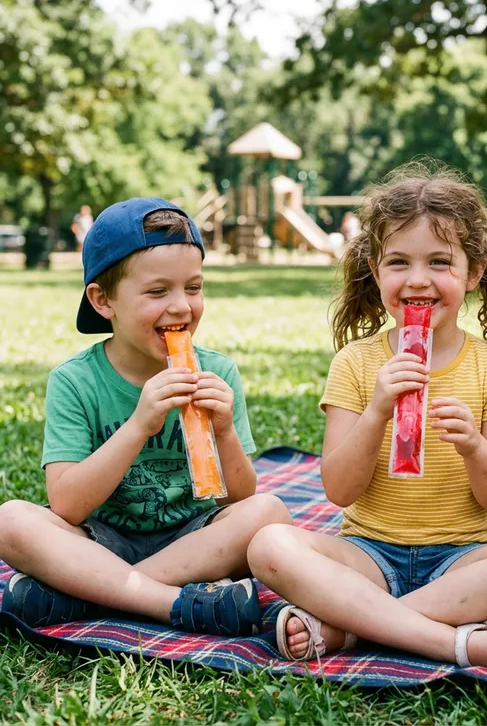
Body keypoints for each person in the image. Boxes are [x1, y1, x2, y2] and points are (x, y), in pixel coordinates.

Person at [248, 164, 487, 673]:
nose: (418, 280)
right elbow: (339, 490)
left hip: (464, 559)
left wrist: (474, 447)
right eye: (398, 262)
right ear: (375, 268)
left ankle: (350, 628)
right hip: (368, 557)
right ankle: (451, 641)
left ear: (473, 272)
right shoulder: (356, 362)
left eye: (440, 262)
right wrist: (377, 411)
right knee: (268, 544)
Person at [0, 198, 291, 635]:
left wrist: (225, 431)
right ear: (103, 301)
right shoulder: (75, 381)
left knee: (270, 514)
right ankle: (172, 602)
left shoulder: (217, 371)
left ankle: (88, 594)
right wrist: (138, 426)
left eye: (193, 288)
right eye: (158, 291)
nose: (181, 307)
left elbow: (240, 498)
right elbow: (66, 505)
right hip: (100, 538)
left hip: (193, 537)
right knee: (12, 520)